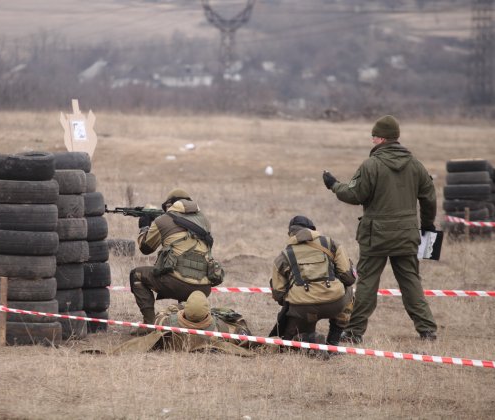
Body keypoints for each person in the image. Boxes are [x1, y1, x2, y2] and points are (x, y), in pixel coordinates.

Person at [322, 115, 438, 343]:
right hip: (407, 235)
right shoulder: (416, 165)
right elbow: (429, 198)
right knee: (411, 282)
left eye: (374, 136)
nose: (372, 140)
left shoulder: (371, 165)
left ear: (382, 138)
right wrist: (426, 226)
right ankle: (427, 330)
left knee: (366, 283)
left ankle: (354, 332)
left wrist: (334, 185)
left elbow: (354, 195)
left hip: (376, 236)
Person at [130, 188, 214, 328]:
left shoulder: (163, 220)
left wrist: (145, 226)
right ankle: (186, 320)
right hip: (204, 287)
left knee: (136, 275)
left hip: (177, 284)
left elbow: (146, 248)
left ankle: (149, 325)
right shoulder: (204, 220)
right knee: (183, 270)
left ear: (169, 205)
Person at [269, 215, 356, 347]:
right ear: (313, 230)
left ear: (290, 233)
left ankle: (309, 336)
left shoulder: (284, 255)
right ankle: (333, 340)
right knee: (348, 289)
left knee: (291, 341)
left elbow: (278, 294)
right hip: (335, 304)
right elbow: (349, 278)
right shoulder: (331, 244)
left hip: (302, 309)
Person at [94, 291, 253, 356]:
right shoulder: (221, 329)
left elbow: (160, 316)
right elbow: (244, 336)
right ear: (207, 313)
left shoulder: (167, 323)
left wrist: (178, 308)